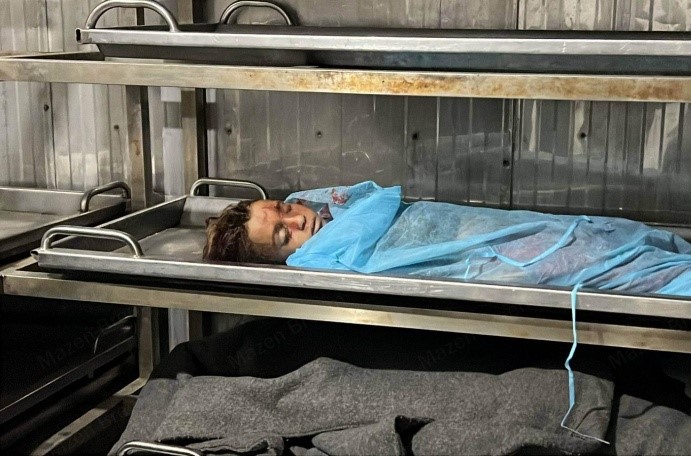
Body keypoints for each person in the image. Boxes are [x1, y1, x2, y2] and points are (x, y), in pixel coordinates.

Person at [204, 181, 691, 297]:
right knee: (605, 263)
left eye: (285, 209)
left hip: (489, 231)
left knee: (603, 234)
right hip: (489, 261)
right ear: (280, 260)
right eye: (283, 235)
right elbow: (379, 207)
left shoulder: (332, 208)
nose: (297, 220)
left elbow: (375, 198)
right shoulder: (322, 259)